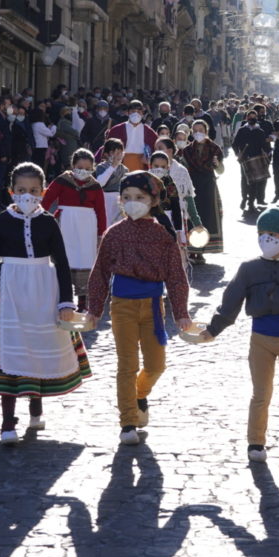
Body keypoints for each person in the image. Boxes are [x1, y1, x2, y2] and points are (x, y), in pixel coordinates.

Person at [0, 162, 93, 445]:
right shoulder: (1, 221)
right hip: (6, 290)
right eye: (22, 190)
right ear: (12, 191)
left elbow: (62, 263)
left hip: (42, 290)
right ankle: (7, 421)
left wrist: (65, 302)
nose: (28, 195)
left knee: (37, 349)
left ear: (44, 191)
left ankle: (36, 407)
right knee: (8, 354)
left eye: (34, 191)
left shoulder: (49, 221)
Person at [203, 206, 279, 468]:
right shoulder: (249, 269)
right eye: (263, 233)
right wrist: (213, 329)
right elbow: (230, 301)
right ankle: (255, 442)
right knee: (261, 393)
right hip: (260, 340)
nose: (268, 238)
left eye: (274, 234)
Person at [85, 172, 192, 447]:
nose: (133, 203)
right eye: (128, 198)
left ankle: (139, 395)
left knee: (156, 365)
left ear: (153, 200)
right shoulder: (114, 234)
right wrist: (94, 309)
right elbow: (100, 273)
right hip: (122, 306)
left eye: (140, 198)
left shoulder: (162, 235)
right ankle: (128, 421)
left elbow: (176, 275)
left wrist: (181, 311)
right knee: (127, 365)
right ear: (121, 201)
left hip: (153, 307)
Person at [42, 149, 108, 312]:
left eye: (87, 168)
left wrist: (102, 233)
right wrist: (42, 219)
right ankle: (63, 298)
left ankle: (83, 302)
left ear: (92, 168)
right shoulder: (62, 180)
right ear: (73, 165)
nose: (83, 171)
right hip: (65, 225)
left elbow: (101, 211)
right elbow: (46, 199)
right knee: (63, 257)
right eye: (79, 167)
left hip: (87, 228)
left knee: (86, 259)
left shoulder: (95, 186)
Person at [178, 119, 224, 257]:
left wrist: (217, 164)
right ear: (191, 132)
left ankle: (203, 250)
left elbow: (221, 171)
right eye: (195, 131)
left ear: (206, 131)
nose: (198, 133)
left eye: (201, 131)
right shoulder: (187, 150)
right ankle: (193, 250)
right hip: (191, 186)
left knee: (207, 216)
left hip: (208, 186)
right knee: (192, 216)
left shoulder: (215, 149)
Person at [232, 108, 271, 213]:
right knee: (244, 180)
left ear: (256, 119)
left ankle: (251, 203)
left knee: (254, 182)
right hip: (244, 159)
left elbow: (265, 146)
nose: (252, 119)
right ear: (247, 118)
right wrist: (238, 153)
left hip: (256, 159)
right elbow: (234, 144)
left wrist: (268, 152)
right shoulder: (242, 130)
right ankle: (244, 198)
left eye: (254, 117)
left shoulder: (260, 131)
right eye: (250, 117)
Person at [106, 100, 157, 172]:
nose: (136, 114)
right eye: (133, 111)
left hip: (142, 166)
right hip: (120, 165)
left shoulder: (150, 132)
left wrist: (149, 159)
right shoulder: (116, 130)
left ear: (142, 114)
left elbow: (155, 150)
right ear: (128, 112)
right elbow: (108, 149)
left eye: (139, 112)